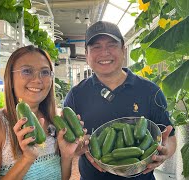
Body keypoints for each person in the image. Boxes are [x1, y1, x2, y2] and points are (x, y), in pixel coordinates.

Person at [64, 21, 177, 180]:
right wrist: (78, 148)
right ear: (87, 54)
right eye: (96, 47)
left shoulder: (151, 91)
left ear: (123, 50)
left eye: (111, 45)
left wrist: (165, 152)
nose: (104, 52)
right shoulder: (76, 95)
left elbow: (170, 137)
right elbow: (68, 145)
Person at [0, 45, 85, 180]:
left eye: (45, 72)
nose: (37, 79)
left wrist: (67, 156)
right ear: (10, 79)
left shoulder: (54, 122)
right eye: (27, 71)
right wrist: (27, 159)